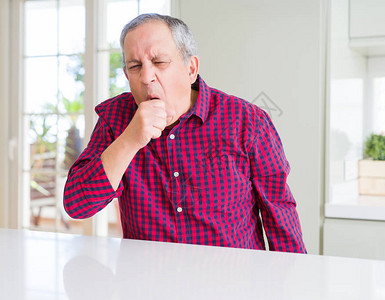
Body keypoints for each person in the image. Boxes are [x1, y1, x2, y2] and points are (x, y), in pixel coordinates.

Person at [63, 13, 306, 253]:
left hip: (231, 283)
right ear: (127, 75)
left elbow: (280, 215)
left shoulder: (248, 121)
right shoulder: (115, 118)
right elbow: (77, 206)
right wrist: (129, 140)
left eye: (159, 62)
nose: (146, 77)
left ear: (191, 69)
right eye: (135, 66)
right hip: (146, 284)